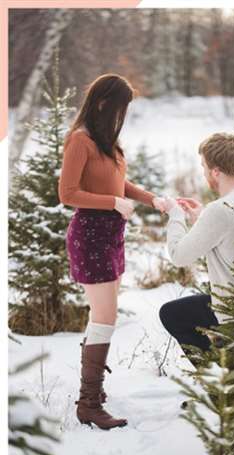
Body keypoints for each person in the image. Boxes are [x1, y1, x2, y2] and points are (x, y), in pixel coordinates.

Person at [59, 74, 168, 430]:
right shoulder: (80, 140)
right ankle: (89, 403)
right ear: (104, 103)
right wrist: (113, 203)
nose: (123, 115)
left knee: (102, 315)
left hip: (111, 234)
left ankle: (91, 392)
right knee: (106, 317)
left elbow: (120, 184)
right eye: (121, 108)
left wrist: (153, 199)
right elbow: (68, 194)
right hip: (89, 233)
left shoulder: (107, 142)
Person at [158, 132, 234, 368]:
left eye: (204, 167)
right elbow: (232, 237)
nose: (204, 173)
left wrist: (176, 216)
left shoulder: (220, 210)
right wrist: (201, 217)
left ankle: (217, 382)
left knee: (172, 314)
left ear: (216, 171)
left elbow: (178, 256)